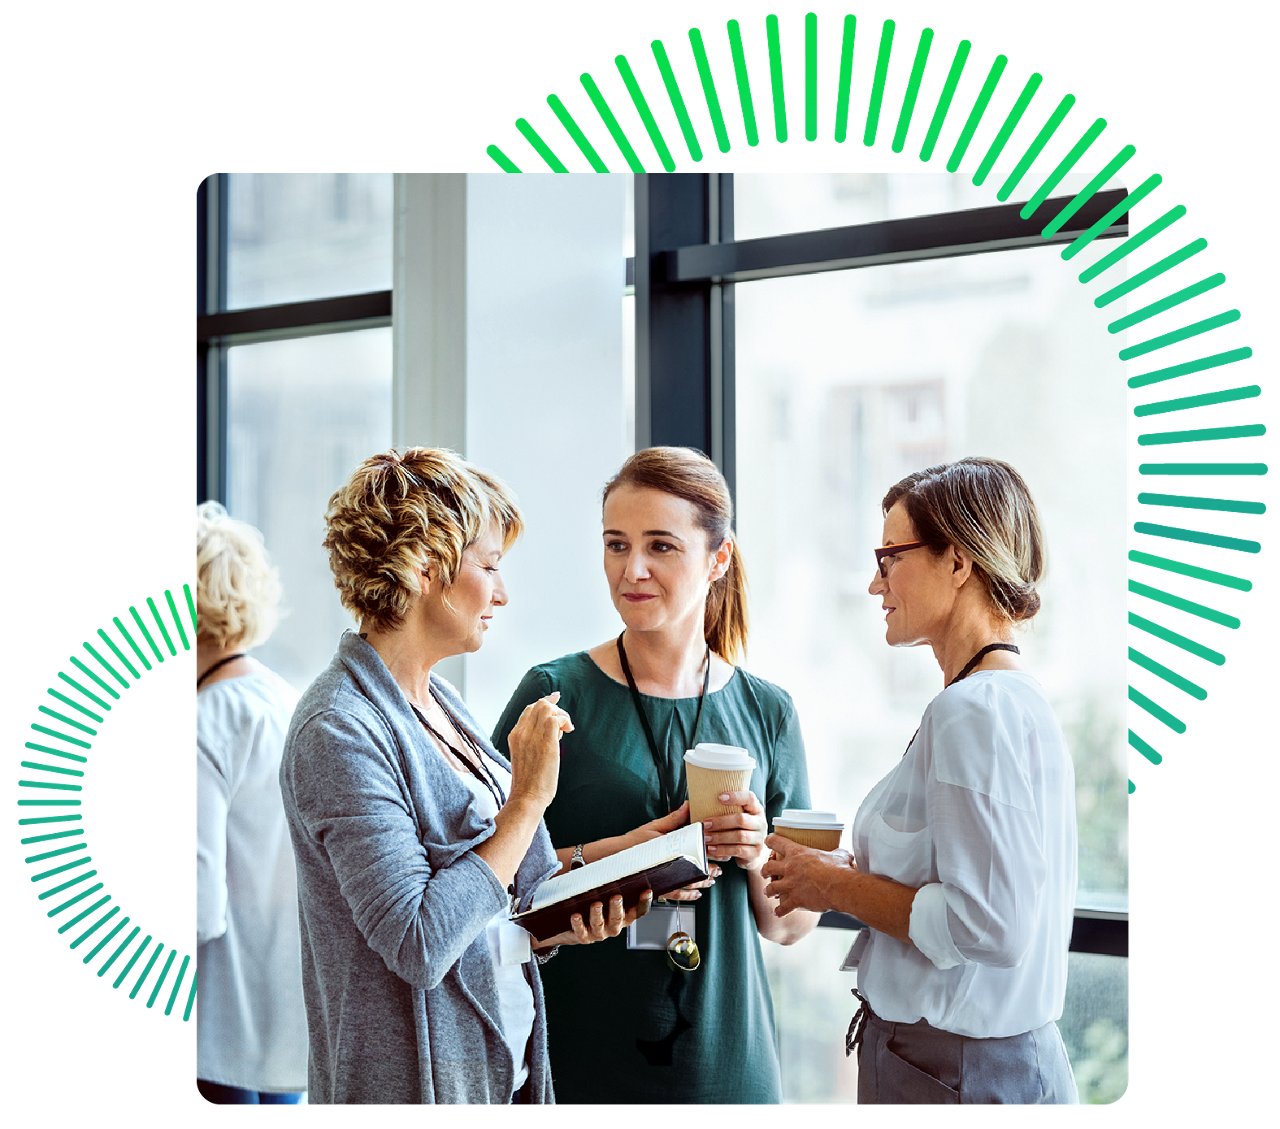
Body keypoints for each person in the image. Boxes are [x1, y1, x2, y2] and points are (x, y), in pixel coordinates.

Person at [278, 447, 648, 1105]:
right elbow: (419, 940)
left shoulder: (439, 703)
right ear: (426, 568)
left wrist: (564, 916)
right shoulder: (337, 728)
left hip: (499, 1079)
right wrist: (528, 798)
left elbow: (499, 895)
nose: (502, 591)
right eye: (490, 565)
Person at [492, 446, 819, 1104]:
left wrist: (756, 852)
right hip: (585, 1064)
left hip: (730, 1071)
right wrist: (584, 885)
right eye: (616, 544)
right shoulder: (555, 695)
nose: (631, 569)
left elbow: (790, 924)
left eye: (661, 546)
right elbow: (485, 880)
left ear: (717, 560)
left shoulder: (770, 710)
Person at [763, 457, 1079, 1104]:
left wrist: (833, 883)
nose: (876, 585)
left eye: (890, 558)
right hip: (958, 1066)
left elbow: (988, 924)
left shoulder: (973, 711)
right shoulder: (1006, 701)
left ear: (958, 563)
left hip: (957, 1072)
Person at [195, 501, 307, 1104]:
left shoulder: (203, 721)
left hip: (214, 1036)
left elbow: (197, 908)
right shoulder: (288, 703)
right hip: (288, 1030)